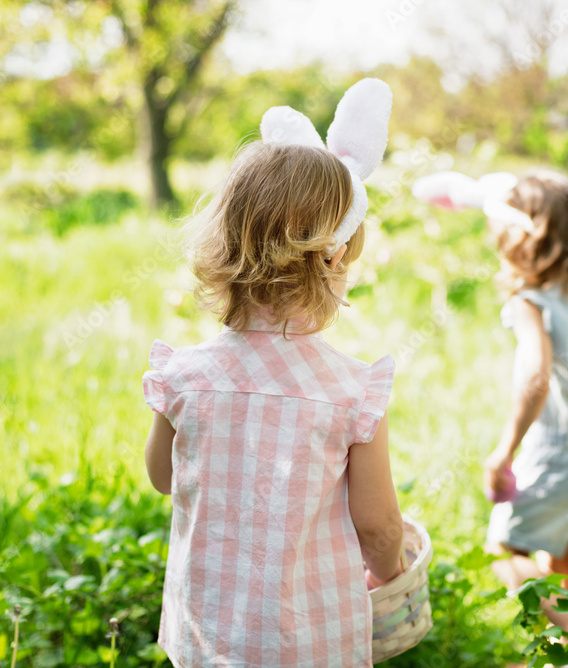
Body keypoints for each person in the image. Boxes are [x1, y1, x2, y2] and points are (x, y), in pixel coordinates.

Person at [141, 79, 404, 667]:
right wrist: (392, 574)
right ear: (333, 258)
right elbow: (380, 524)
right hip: (311, 642)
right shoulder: (350, 392)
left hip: (206, 637)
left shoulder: (184, 376)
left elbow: (163, 476)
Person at [415, 168, 568, 636]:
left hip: (559, 455)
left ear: (517, 234)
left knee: (504, 549)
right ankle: (565, 654)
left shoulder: (533, 300)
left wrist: (504, 451)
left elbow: (536, 378)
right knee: (557, 554)